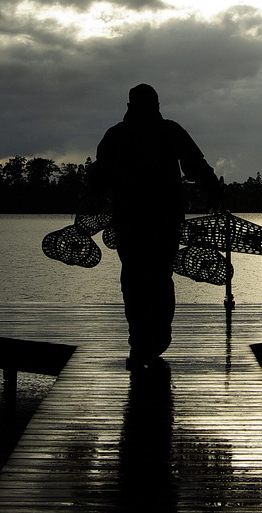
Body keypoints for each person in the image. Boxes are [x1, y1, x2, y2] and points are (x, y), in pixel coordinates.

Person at [88, 83, 221, 372]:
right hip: (163, 220)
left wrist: (89, 202)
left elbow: (97, 178)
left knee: (134, 279)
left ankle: (141, 340)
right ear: (157, 106)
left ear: (128, 106)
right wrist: (215, 194)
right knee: (160, 277)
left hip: (131, 220)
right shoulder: (170, 131)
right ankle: (157, 338)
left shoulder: (116, 135)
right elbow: (196, 165)